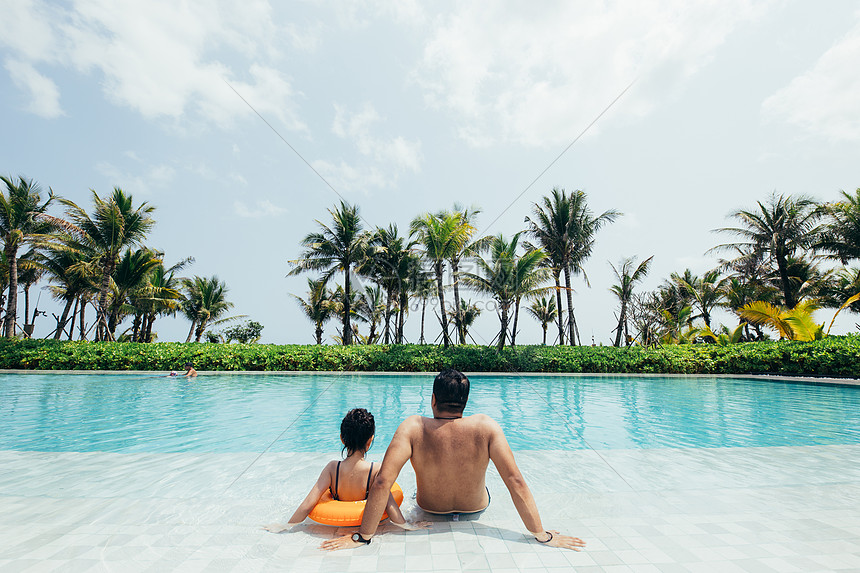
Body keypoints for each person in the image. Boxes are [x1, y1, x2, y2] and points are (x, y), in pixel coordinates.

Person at [321, 369, 586, 551]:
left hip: (429, 510)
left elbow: (381, 483)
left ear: (433, 399)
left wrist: (362, 537)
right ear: (465, 403)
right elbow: (515, 480)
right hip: (476, 509)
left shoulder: (413, 427)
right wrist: (542, 534)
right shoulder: (486, 426)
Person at [264, 408, 428, 533]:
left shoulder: (331, 468)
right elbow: (391, 508)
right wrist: (410, 525)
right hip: (364, 525)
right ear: (370, 441)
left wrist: (285, 526)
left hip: (336, 526)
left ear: (342, 438)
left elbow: (308, 504)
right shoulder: (375, 470)